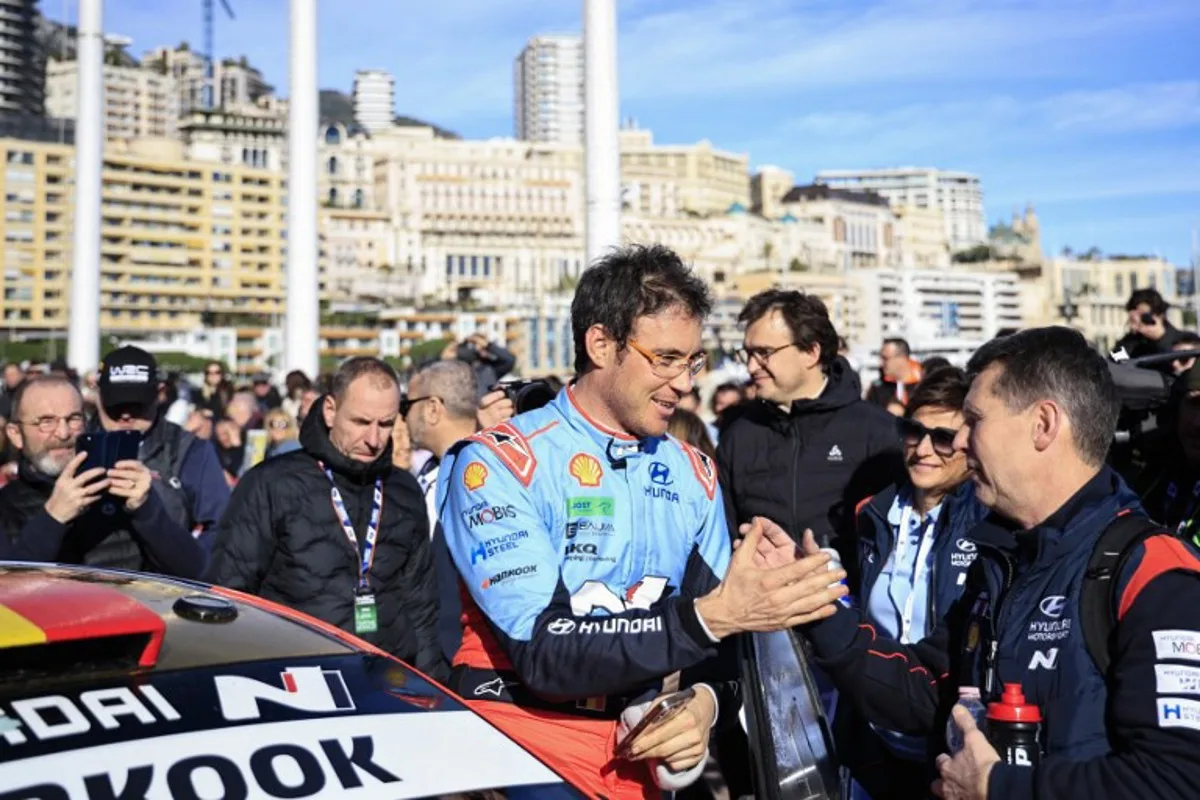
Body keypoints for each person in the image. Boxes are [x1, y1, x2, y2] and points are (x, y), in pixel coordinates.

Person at [437, 244, 849, 798]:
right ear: (601, 344)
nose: (685, 383)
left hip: (640, 757)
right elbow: (546, 654)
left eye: (693, 361)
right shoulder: (500, 460)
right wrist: (708, 618)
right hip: (523, 744)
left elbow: (723, 656)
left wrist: (703, 706)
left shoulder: (695, 472)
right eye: (666, 359)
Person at [773, 326, 1200, 799]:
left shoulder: (1154, 574)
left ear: (1043, 425)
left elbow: (1177, 781)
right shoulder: (1004, 563)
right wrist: (819, 608)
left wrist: (997, 788)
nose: (959, 443)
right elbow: (925, 691)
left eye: (975, 420)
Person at [204, 357, 447, 680]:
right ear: (330, 411)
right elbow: (229, 595)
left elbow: (421, 606)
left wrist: (433, 690)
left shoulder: (403, 490)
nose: (374, 439)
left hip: (387, 679)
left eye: (385, 424)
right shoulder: (271, 484)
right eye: (361, 422)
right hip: (295, 679)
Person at [839, 367, 988, 799]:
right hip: (873, 734)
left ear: (970, 441)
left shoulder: (989, 520)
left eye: (942, 437)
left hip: (948, 740)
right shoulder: (873, 513)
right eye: (912, 431)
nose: (923, 449)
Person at [718, 289, 903, 557]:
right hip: (766, 595)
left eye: (763, 353)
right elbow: (726, 535)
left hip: (849, 594)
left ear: (811, 352)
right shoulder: (739, 435)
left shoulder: (877, 432)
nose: (751, 367)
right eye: (747, 354)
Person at [0, 374, 206, 577]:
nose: (62, 433)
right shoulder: (6, 506)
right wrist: (52, 518)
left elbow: (195, 571)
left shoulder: (120, 491)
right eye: (46, 422)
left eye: (73, 419)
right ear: (15, 434)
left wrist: (147, 510)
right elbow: (7, 590)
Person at [90, 346, 230, 546]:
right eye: (116, 405)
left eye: (138, 405)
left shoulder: (190, 450)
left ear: (159, 394)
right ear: (97, 395)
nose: (126, 415)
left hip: (164, 574)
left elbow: (220, 528)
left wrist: (189, 566)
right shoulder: (74, 445)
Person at [403, 359, 480, 662]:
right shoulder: (429, 472)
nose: (402, 417)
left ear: (433, 408)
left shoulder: (482, 475)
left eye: (407, 405)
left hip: (460, 657)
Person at [1114, 288, 1185, 363]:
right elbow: (1116, 362)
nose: (1138, 320)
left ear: (1159, 316)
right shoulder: (1130, 341)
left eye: (1144, 315)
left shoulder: (1182, 340)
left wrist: (1159, 336)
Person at [867, 338, 923, 413]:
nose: (881, 363)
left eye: (885, 358)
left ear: (901, 358)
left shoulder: (923, 384)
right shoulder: (878, 388)